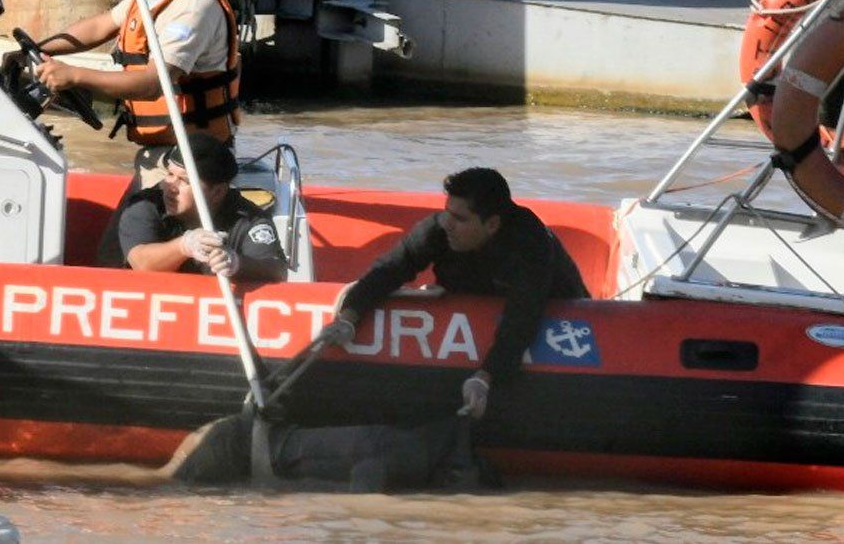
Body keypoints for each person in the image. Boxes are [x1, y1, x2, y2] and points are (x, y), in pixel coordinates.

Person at [21, 0, 241, 264]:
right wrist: (42, 48)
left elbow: (156, 83)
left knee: (124, 258)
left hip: (186, 163)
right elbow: (101, 25)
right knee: (112, 253)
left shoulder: (194, 5)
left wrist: (75, 76)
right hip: (158, 155)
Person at [319, 167, 589, 419]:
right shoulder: (441, 228)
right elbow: (391, 268)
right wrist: (349, 316)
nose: (447, 223)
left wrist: (485, 378)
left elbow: (522, 317)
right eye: (447, 211)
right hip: (478, 290)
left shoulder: (529, 247)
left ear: (492, 224)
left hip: (554, 303)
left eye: (460, 218)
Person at [116, 132, 287, 282]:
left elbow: (277, 271)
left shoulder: (248, 218)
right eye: (169, 173)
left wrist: (237, 264)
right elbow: (141, 263)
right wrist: (184, 246)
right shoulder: (145, 206)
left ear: (218, 192)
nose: (170, 186)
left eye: (184, 180)